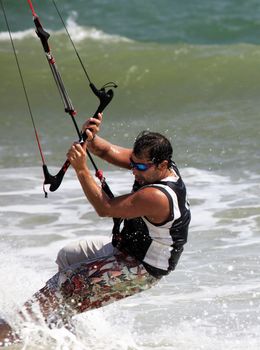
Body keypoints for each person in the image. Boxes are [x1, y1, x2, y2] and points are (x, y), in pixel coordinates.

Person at [0, 113, 190, 344]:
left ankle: (8, 332)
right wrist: (91, 137)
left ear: (163, 165)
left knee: (65, 282)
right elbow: (107, 151)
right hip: (124, 249)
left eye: (140, 166)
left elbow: (105, 207)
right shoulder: (154, 166)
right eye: (133, 164)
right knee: (68, 257)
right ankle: (63, 333)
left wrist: (81, 168)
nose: (134, 171)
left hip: (142, 267)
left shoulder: (157, 196)